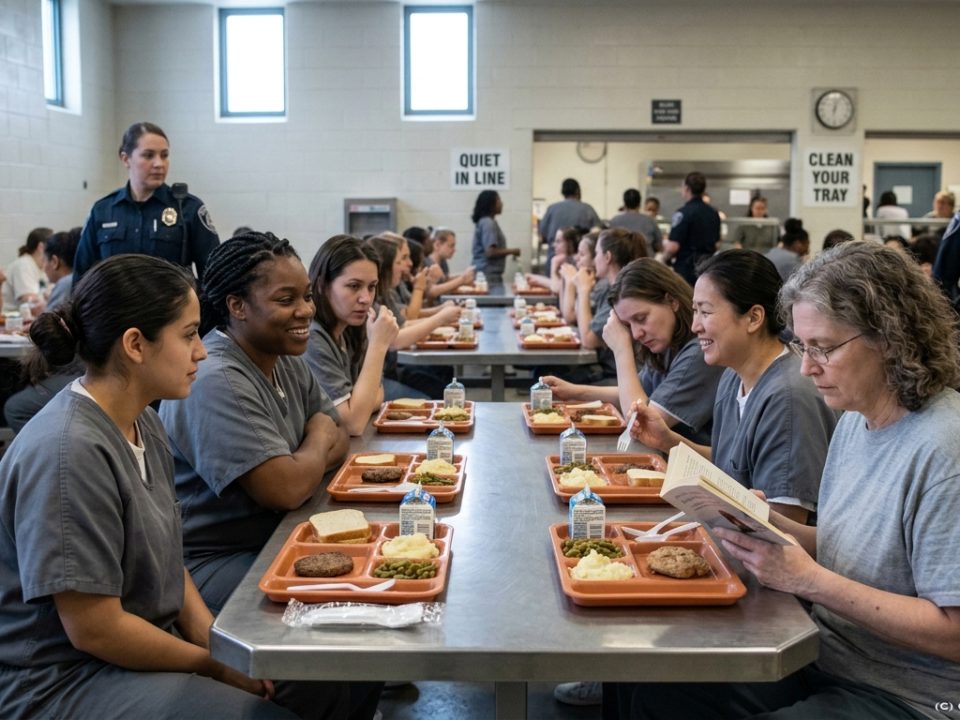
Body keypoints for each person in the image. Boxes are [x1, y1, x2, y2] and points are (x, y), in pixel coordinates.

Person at [613, 242, 960, 720]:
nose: (805, 366)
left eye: (823, 348)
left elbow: (953, 632)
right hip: (826, 656)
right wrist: (761, 518)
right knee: (655, 685)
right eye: (802, 346)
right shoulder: (857, 420)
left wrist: (811, 581)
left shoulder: (943, 449)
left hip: (911, 696)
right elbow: (844, 544)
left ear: (889, 337)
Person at [0, 254, 306, 718]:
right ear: (135, 345)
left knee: (308, 678)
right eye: (188, 336)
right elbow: (95, 630)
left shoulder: (143, 419)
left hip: (135, 647)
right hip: (62, 679)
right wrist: (213, 664)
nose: (201, 351)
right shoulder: (69, 452)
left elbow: (168, 562)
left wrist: (218, 644)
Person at [159, 232, 350, 615]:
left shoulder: (286, 356)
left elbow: (342, 437)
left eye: (307, 296)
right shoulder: (216, 378)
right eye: (286, 300)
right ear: (237, 306)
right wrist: (316, 435)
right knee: (334, 604)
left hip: (280, 533)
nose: (306, 311)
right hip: (211, 562)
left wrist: (302, 461)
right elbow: (284, 489)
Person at [627, 250, 837, 524]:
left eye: (705, 312)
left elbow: (786, 532)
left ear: (753, 318)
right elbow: (733, 463)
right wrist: (668, 441)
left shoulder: (788, 398)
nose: (695, 326)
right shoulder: (731, 376)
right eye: (694, 312)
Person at [73, 121, 220, 282]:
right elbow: (82, 276)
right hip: (117, 305)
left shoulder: (187, 208)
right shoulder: (103, 210)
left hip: (171, 306)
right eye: (148, 155)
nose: (159, 164)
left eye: (164, 155)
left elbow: (213, 275)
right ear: (125, 159)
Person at [306, 235, 399, 436]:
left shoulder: (349, 327)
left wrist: (362, 402)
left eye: (371, 287)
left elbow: (373, 395)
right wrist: (378, 345)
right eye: (354, 286)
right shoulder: (312, 338)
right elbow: (354, 424)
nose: (365, 298)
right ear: (322, 285)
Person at [366, 233, 460, 399]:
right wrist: (439, 316)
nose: (409, 263)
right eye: (402, 259)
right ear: (385, 265)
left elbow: (402, 324)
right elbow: (400, 332)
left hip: (389, 370)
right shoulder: (373, 298)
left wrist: (442, 316)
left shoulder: (386, 291)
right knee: (431, 399)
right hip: (381, 377)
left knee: (441, 383)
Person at [569, 227, 646, 382]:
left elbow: (588, 340)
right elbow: (576, 316)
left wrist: (582, 290)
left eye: (597, 253)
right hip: (610, 370)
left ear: (608, 257)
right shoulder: (608, 286)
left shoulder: (621, 293)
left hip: (619, 376)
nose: (594, 259)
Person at [663, 171, 721, 286]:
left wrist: (664, 259)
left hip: (686, 268)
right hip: (708, 267)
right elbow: (717, 244)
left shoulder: (683, 213)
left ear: (687, 188)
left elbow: (672, 247)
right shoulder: (713, 213)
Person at [540, 178, 602, 273]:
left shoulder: (552, 209)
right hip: (578, 264)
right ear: (578, 191)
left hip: (553, 262)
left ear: (562, 192)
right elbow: (597, 235)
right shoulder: (587, 209)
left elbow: (542, 235)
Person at [471, 189, 519, 284]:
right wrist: (513, 251)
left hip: (487, 273)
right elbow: (490, 252)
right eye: (498, 200)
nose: (502, 204)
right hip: (487, 274)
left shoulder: (486, 222)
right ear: (491, 204)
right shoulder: (488, 223)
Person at [2, 227, 51, 313]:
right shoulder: (24, 265)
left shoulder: (40, 266)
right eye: (52, 246)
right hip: (10, 321)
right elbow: (32, 304)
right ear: (41, 247)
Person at [424, 228, 475, 299]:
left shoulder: (443, 262)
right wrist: (462, 279)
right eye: (451, 246)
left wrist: (464, 276)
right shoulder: (427, 264)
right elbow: (431, 291)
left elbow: (445, 280)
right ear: (437, 245)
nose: (454, 250)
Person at [525, 226, 580, 293]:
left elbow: (556, 288)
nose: (554, 245)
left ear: (570, 244)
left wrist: (554, 263)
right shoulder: (567, 260)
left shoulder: (576, 263)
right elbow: (557, 283)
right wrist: (536, 278)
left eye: (558, 241)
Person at [559, 231, 597, 325]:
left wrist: (569, 282)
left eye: (582, 254)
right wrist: (564, 279)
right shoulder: (584, 277)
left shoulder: (598, 285)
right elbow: (563, 311)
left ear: (596, 258)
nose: (576, 258)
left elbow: (570, 317)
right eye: (577, 253)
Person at [609, 189, 662, 255]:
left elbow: (609, 245)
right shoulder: (650, 221)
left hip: (622, 260)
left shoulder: (614, 221)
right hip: (645, 260)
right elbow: (659, 246)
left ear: (625, 204)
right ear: (639, 204)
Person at [42, 227, 81, 310]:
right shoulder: (81, 278)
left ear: (54, 261)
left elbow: (47, 322)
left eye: (44, 261)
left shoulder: (65, 283)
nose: (43, 267)